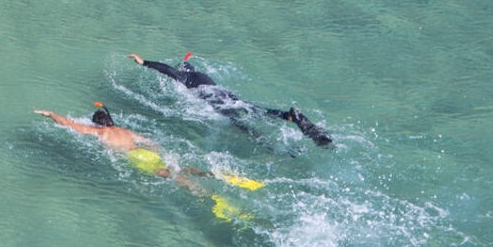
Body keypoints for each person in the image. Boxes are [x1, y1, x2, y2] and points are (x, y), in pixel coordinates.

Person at [128, 53, 332, 146]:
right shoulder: (202, 75)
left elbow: (168, 70)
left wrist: (144, 62)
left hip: (214, 99)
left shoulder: (184, 77)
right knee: (253, 109)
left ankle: (267, 143)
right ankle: (288, 116)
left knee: (238, 123)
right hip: (225, 94)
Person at [33, 104, 200, 190]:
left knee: (167, 175)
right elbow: (149, 142)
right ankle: (207, 173)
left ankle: (198, 191)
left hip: (136, 157)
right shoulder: (124, 130)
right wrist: (157, 152)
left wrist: (50, 114)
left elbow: (69, 124)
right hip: (145, 152)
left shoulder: (100, 132)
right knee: (175, 168)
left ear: (97, 124)